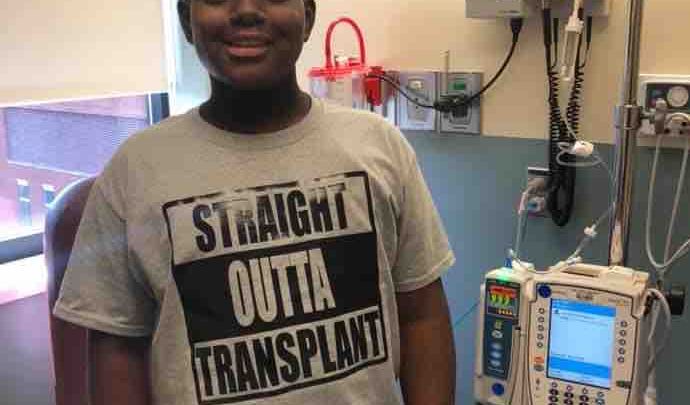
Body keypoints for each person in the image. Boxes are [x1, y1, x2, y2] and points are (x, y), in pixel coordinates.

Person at [53, 0, 456, 404]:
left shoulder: (380, 147)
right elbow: (118, 349)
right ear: (187, 21)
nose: (246, 10)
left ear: (308, 17)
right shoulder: (134, 171)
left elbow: (421, 316)